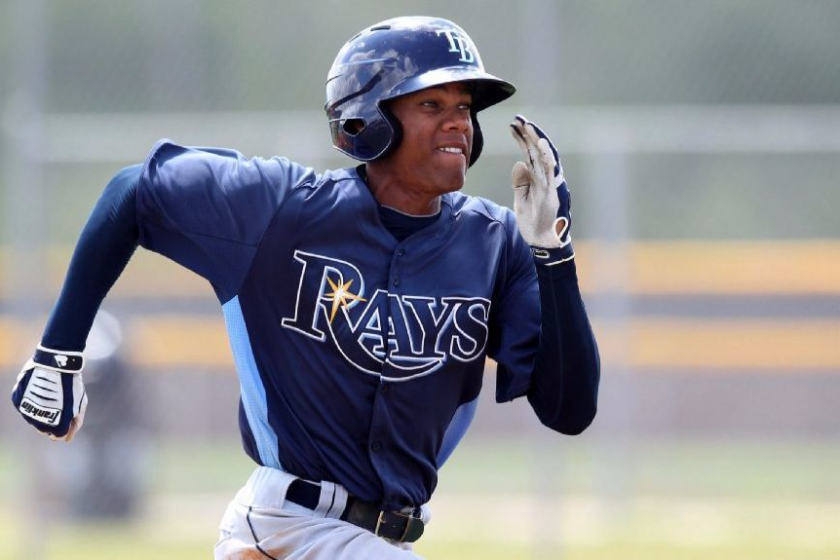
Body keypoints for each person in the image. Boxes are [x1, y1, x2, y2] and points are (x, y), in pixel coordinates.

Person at [11, 16, 600, 559]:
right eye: (431, 102)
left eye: (465, 107)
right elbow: (133, 193)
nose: (459, 121)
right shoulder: (282, 209)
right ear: (367, 119)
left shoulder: (496, 244)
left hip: (383, 539)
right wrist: (57, 352)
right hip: (288, 526)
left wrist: (554, 255)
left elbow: (570, 410)